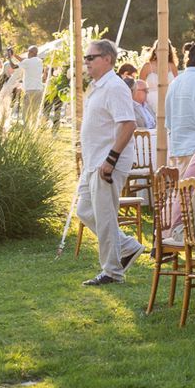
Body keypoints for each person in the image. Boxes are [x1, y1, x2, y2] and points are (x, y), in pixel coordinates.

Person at [75, 39, 145, 286]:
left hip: (108, 162)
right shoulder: (97, 86)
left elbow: (128, 124)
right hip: (93, 160)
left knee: (104, 215)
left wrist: (111, 159)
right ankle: (127, 246)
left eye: (91, 58)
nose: (87, 62)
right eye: (86, 58)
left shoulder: (115, 86)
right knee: (84, 209)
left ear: (107, 58)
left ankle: (112, 271)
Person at [20, 45, 46, 122]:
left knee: (26, 113)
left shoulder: (27, 62)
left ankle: (26, 130)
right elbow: (24, 61)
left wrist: (10, 57)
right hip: (39, 90)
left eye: (29, 51)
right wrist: (14, 55)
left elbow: (14, 66)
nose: (28, 53)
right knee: (35, 112)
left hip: (29, 90)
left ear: (31, 52)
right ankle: (34, 129)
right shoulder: (39, 61)